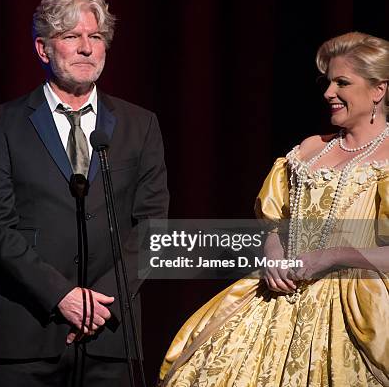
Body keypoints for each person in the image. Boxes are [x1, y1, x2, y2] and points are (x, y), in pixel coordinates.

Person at [159, 32, 389, 386]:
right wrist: (272, 248)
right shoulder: (312, 149)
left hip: (352, 308)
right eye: (328, 83)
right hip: (276, 295)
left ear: (378, 90)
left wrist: (334, 255)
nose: (329, 93)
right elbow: (275, 222)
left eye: (342, 82)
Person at [0, 0, 169, 386]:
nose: (86, 48)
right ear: (44, 49)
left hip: (110, 336)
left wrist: (100, 304)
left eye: (95, 37)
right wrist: (62, 296)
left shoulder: (140, 124)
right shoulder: (1, 124)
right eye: (71, 37)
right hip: (28, 336)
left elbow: (153, 228)